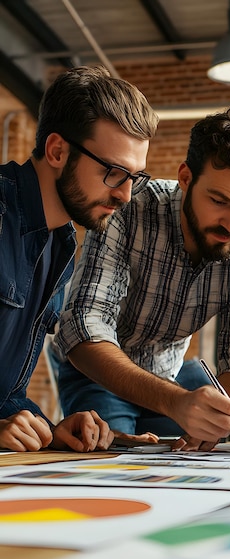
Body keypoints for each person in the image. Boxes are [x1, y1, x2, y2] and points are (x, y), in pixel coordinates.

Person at [53, 106, 230, 451]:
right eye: (219, 200)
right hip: (98, 373)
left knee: (208, 451)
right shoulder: (128, 208)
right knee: (112, 458)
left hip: (171, 372)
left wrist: (217, 419)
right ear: (185, 178)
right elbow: (84, 326)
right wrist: (174, 402)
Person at [0, 65, 159, 453]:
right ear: (57, 150)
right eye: (113, 172)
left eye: (135, 178)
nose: (125, 195)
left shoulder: (62, 244)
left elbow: (6, 396)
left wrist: (51, 430)